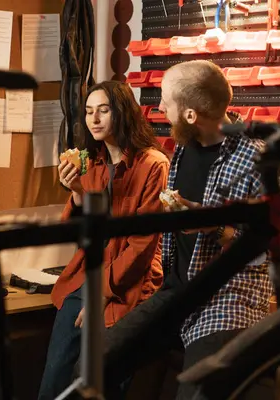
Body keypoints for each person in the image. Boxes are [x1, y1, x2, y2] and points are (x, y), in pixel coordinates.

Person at [93, 60, 277, 399]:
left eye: (165, 100)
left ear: (191, 114)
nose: (159, 108)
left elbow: (266, 253)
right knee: (94, 366)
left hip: (224, 299)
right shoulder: (183, 147)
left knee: (197, 392)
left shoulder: (257, 161)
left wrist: (210, 225)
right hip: (176, 292)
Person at [37, 80, 170, 400]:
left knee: (99, 386)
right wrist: (77, 193)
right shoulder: (90, 164)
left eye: (104, 110)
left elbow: (142, 246)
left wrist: (102, 295)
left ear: (122, 112)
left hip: (129, 286)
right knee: (54, 383)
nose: (94, 119)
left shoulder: (153, 164)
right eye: (88, 112)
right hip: (86, 279)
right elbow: (83, 237)